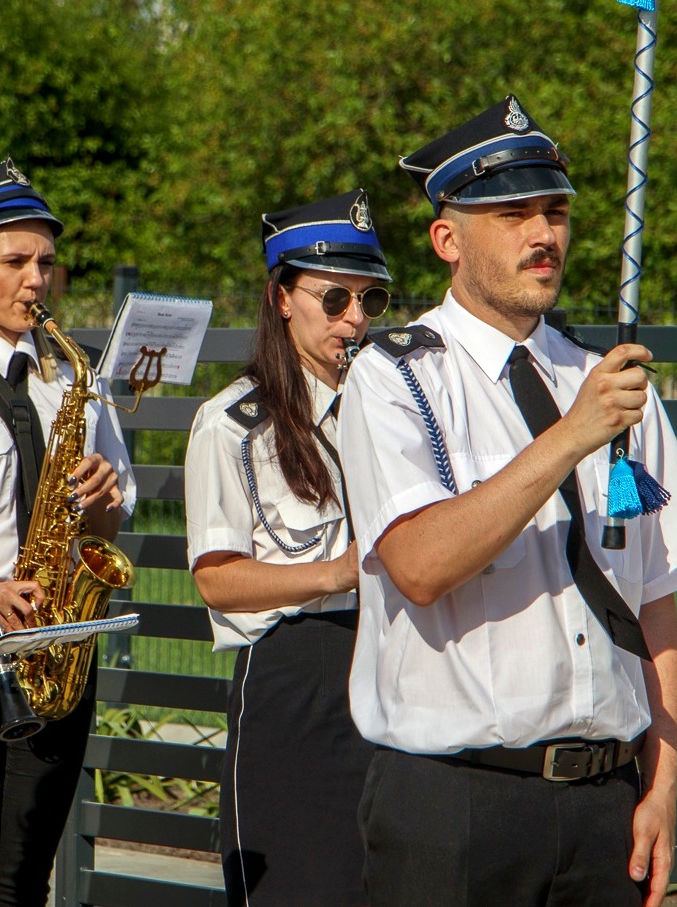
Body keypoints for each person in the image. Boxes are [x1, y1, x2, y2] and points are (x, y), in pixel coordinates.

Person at [338, 94, 677, 907]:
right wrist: (571, 435)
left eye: (554, 211)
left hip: (603, 806)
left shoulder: (611, 380)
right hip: (454, 809)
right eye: (512, 213)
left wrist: (661, 785)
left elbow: (655, 601)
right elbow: (419, 564)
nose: (543, 234)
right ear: (448, 239)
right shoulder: (396, 375)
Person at [0, 159, 136, 907]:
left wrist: (104, 501)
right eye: (15, 261)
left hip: (51, 644)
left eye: (46, 261)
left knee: (22, 877)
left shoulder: (71, 377)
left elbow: (107, 528)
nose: (36, 279)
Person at [184, 190, 386, 906]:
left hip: (393, 667)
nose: (355, 319)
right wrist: (336, 569)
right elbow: (216, 580)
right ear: (281, 298)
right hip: (295, 678)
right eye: (335, 298)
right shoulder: (233, 423)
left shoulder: (393, 411)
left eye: (371, 299)